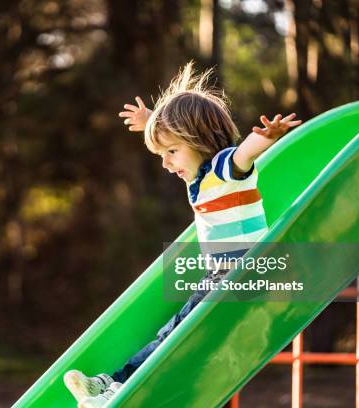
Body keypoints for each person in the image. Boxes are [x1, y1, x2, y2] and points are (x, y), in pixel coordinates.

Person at [64, 62, 302, 408]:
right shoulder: (198, 178)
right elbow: (179, 143)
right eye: (162, 154)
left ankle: (119, 390)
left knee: (175, 336)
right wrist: (152, 125)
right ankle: (112, 383)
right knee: (171, 333)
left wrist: (265, 137)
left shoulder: (224, 168)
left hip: (246, 275)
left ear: (199, 140)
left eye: (171, 152)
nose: (166, 163)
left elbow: (244, 154)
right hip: (222, 277)